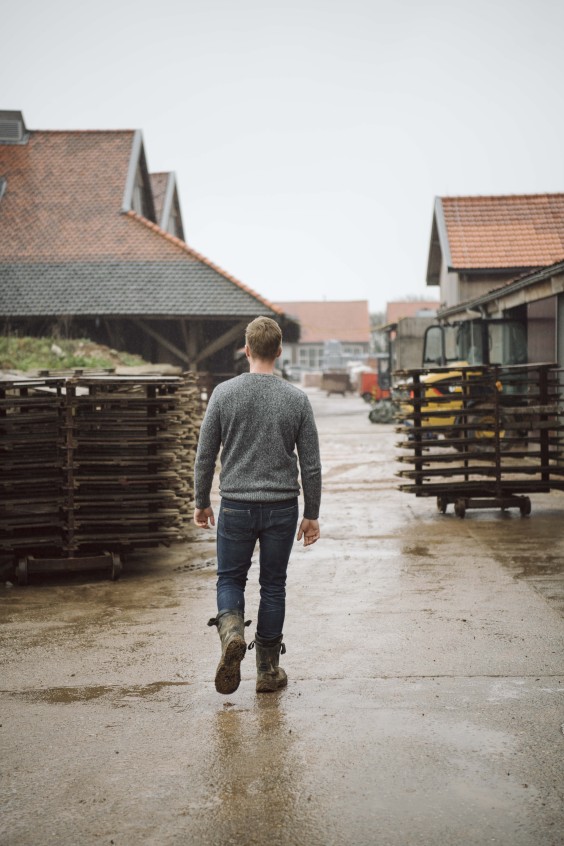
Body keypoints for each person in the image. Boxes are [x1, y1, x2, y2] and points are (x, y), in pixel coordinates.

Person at [193, 316, 321, 695]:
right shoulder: (296, 400)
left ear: (246, 349)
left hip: (236, 505)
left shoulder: (223, 394)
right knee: (273, 585)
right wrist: (311, 514)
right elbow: (311, 465)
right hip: (282, 507)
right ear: (279, 351)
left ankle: (232, 632)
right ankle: (267, 670)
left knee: (230, 579)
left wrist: (201, 501)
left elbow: (205, 455)